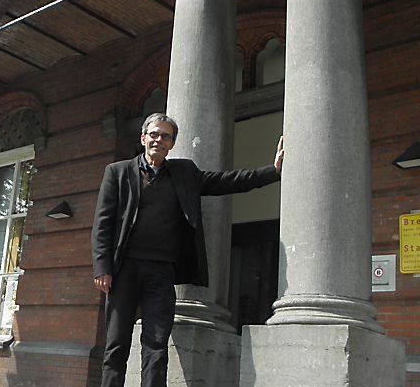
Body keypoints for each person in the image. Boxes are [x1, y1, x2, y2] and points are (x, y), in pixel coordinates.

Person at [92, 112, 284, 387]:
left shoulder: (184, 173)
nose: (159, 139)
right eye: (155, 134)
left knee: (156, 345)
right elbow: (103, 223)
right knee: (116, 344)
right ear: (143, 137)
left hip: (161, 272)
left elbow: (228, 181)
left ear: (172, 144)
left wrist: (272, 171)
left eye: (166, 136)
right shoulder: (118, 172)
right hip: (124, 270)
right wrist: (102, 268)